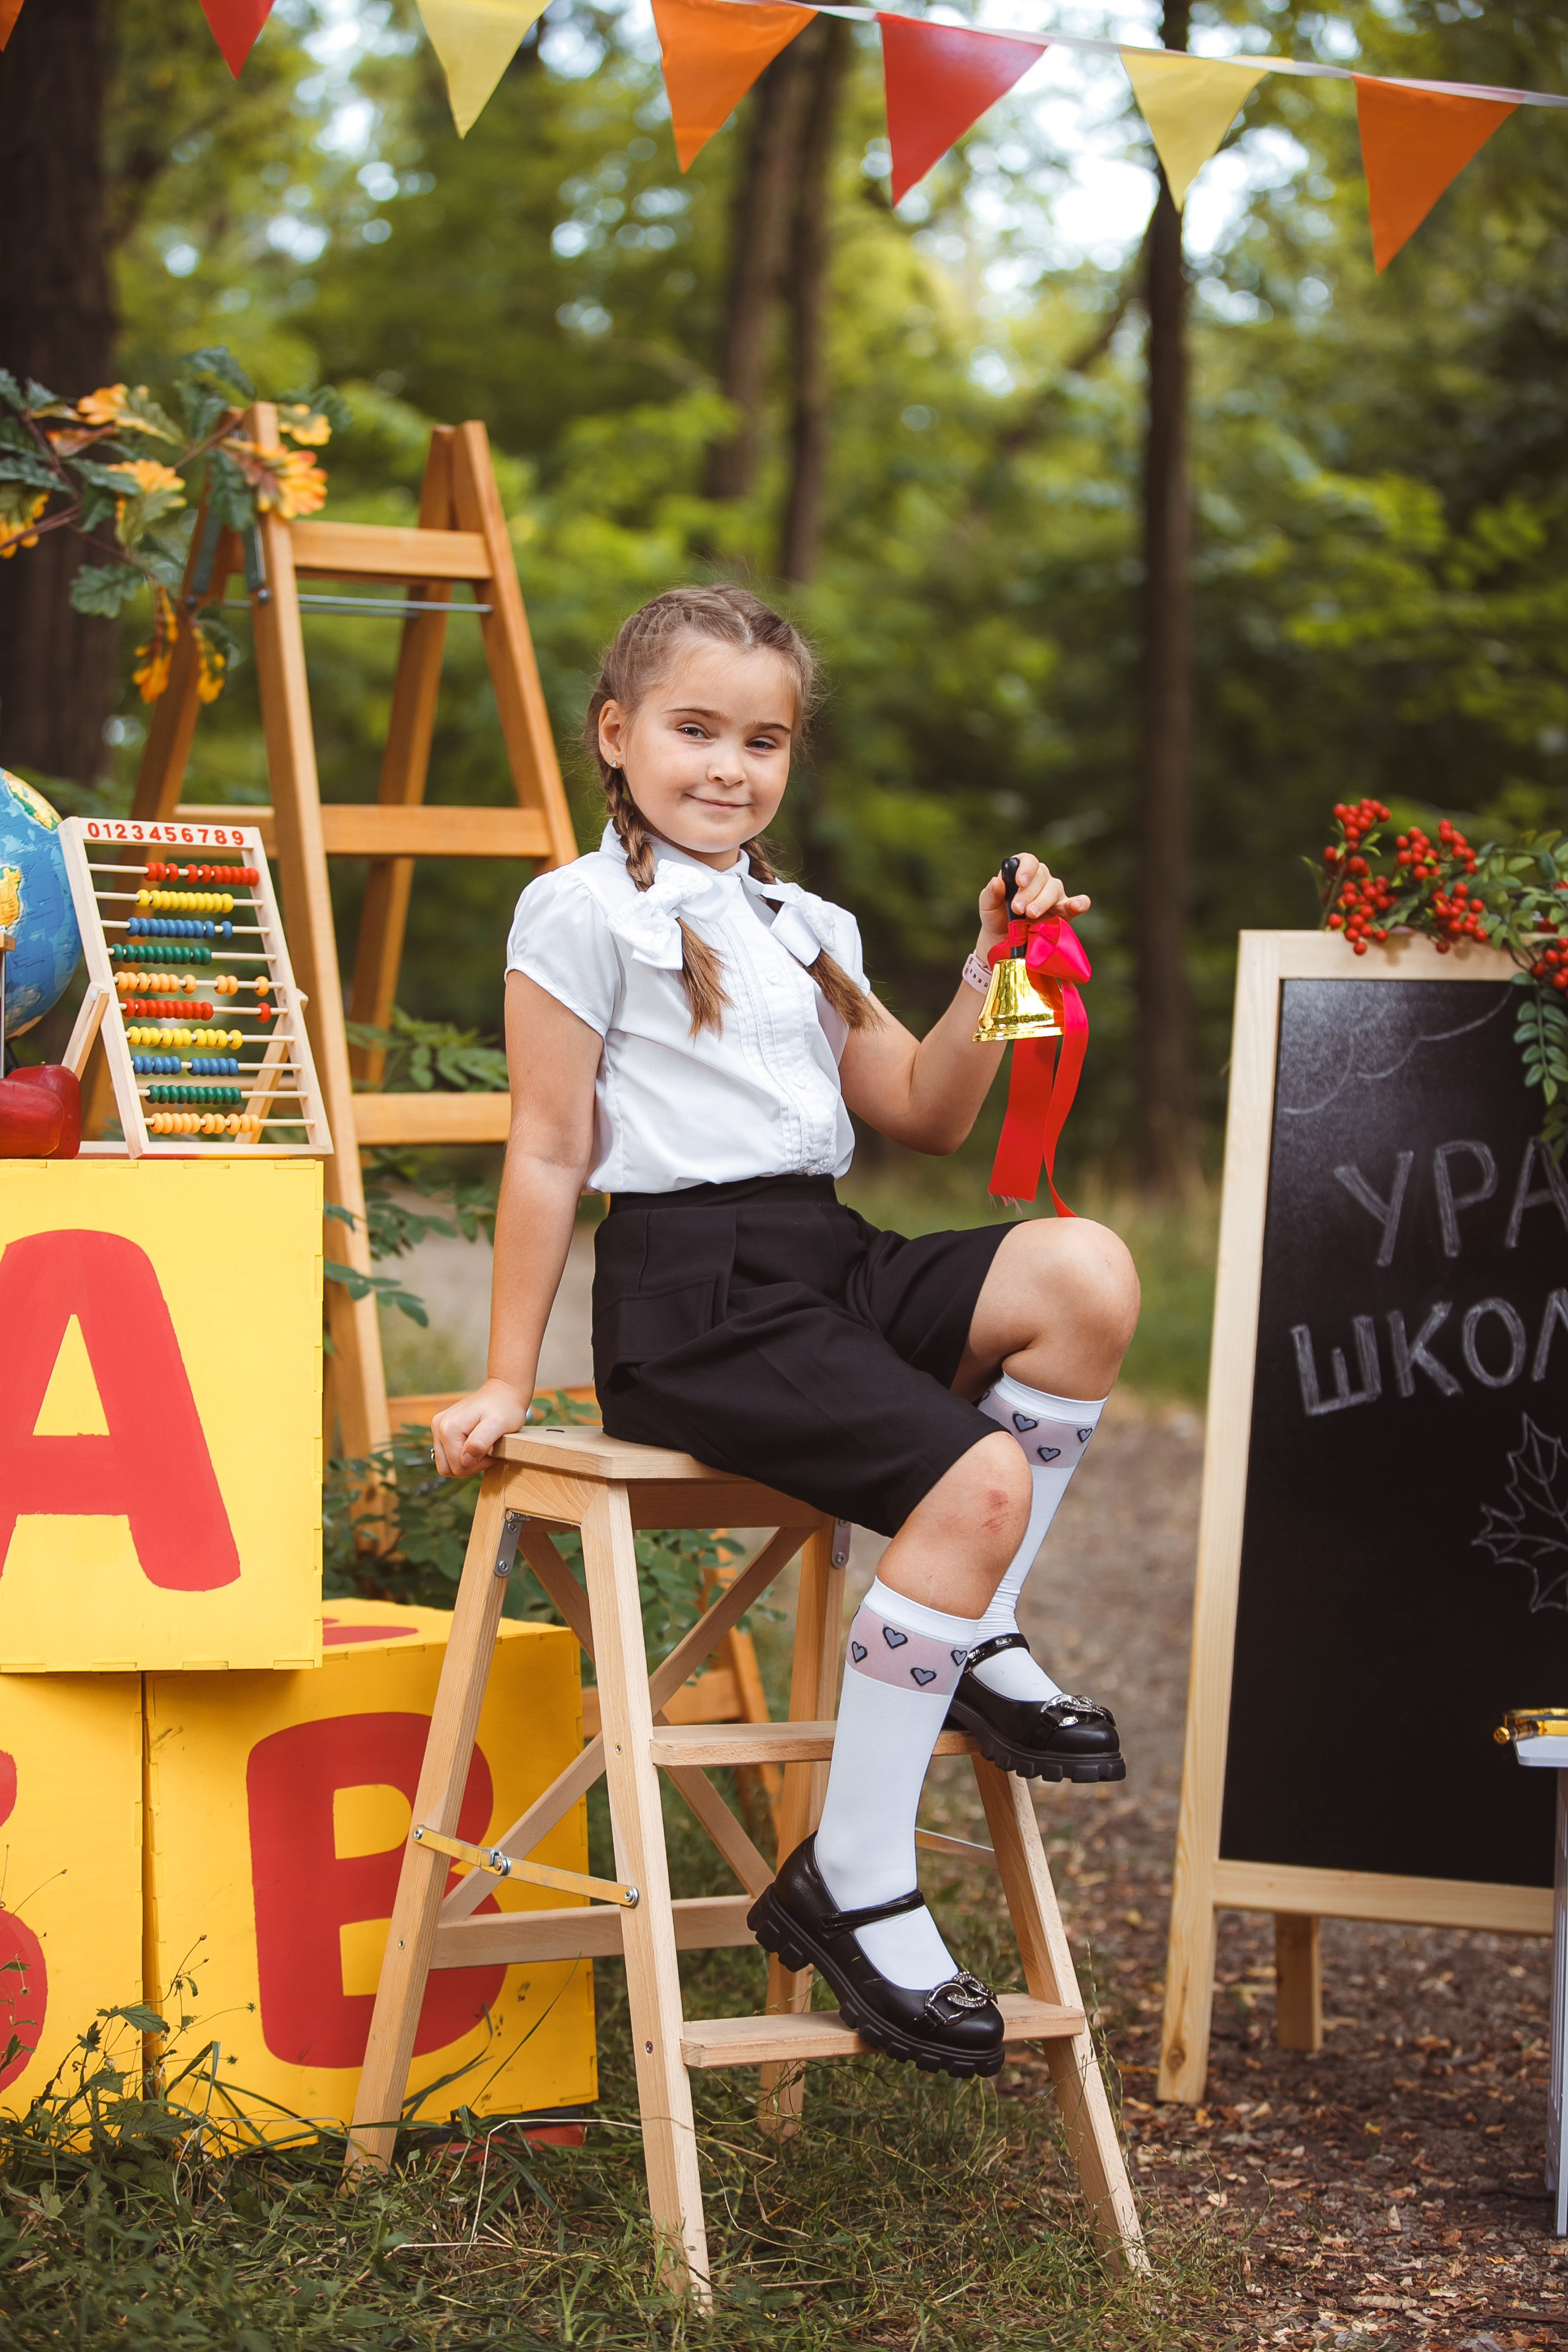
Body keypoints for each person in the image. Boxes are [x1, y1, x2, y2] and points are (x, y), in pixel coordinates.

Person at [432, 586, 1140, 2081]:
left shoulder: (803, 923)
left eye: (763, 740)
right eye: (695, 730)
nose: (729, 766)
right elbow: (549, 1150)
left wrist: (988, 964)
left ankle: (975, 1624)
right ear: (617, 738)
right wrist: (507, 1375)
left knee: (1084, 1271)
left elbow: (927, 1115)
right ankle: (856, 1877)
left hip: (824, 1263)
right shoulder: (580, 909)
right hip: (694, 1304)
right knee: (976, 1485)